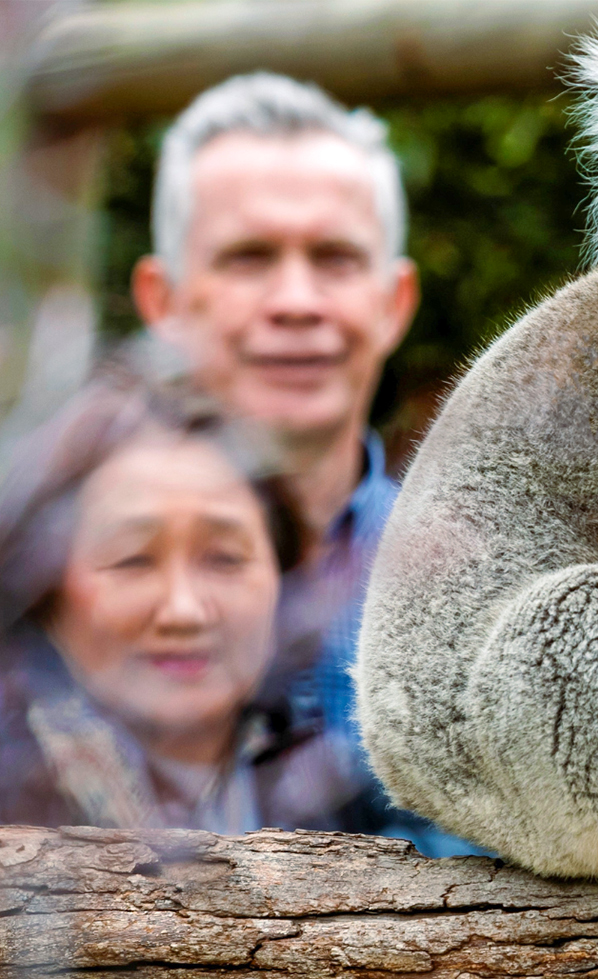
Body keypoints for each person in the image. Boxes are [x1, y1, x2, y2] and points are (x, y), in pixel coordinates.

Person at [126, 73, 476, 852]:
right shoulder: (52, 591)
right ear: (163, 302)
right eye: (249, 257)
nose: (296, 300)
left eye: (335, 258)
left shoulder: (487, 580)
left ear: (395, 301)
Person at [0, 372, 362, 832]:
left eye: (225, 559)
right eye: (133, 560)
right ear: (44, 588)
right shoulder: (14, 795)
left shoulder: (350, 787)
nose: (184, 611)